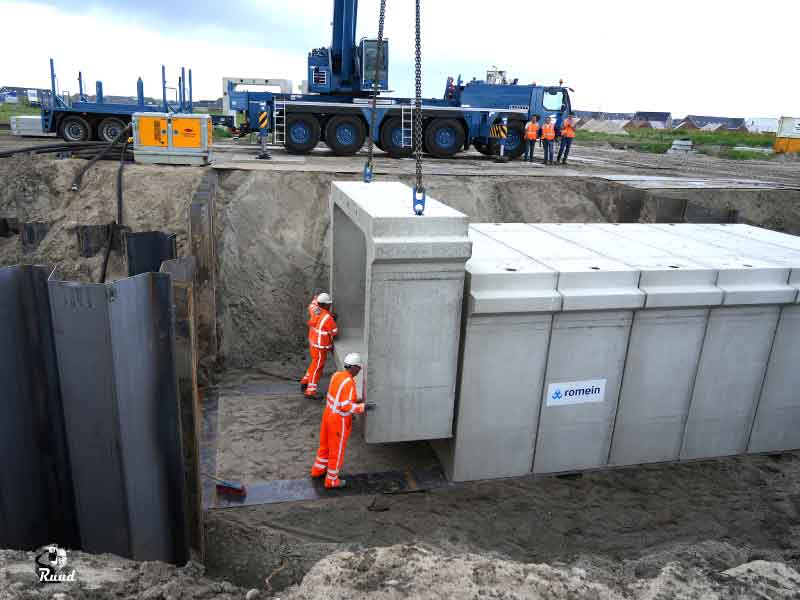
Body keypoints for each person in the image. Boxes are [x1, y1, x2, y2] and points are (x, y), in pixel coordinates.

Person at [310, 353, 367, 489]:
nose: (359, 371)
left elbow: (338, 396)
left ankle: (318, 470)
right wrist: (363, 407)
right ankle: (331, 480)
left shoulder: (337, 375)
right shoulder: (349, 382)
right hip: (338, 420)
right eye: (358, 368)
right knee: (337, 450)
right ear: (353, 368)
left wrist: (354, 400)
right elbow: (345, 406)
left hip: (328, 415)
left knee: (325, 445)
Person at [300, 292, 337, 399]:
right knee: (317, 368)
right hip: (321, 347)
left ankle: (305, 381)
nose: (330, 306)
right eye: (329, 304)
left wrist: (316, 297)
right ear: (326, 305)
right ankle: (310, 391)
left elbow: (312, 304)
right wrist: (333, 317)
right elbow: (334, 331)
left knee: (314, 363)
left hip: (313, 344)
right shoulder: (327, 318)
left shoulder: (315, 310)